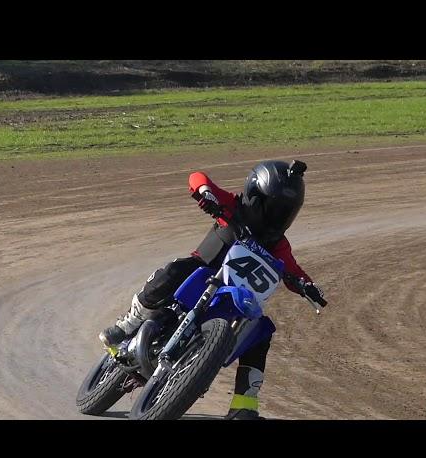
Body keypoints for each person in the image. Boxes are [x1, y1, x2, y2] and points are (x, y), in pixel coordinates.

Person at [99, 159, 327, 419]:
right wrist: (205, 193)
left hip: (232, 299)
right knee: (175, 269)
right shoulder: (233, 206)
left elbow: (292, 269)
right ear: (255, 194)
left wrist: (307, 286)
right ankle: (128, 324)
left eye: (285, 211)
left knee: (261, 331)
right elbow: (197, 177)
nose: (277, 216)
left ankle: (244, 405)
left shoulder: (279, 244)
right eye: (272, 207)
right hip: (201, 274)